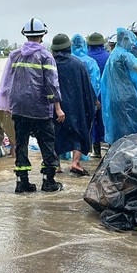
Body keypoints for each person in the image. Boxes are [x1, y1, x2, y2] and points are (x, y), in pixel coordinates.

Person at [0, 17, 65, 194]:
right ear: (42, 35)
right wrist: (58, 108)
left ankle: (22, 182)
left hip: (19, 108)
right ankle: (48, 181)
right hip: (40, 108)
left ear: (25, 35)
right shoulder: (45, 56)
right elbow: (52, 84)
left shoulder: (15, 55)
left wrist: (7, 104)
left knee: (21, 144)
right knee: (47, 143)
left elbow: (7, 82)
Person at [99, 28, 137, 145]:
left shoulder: (113, 54)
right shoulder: (125, 55)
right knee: (130, 126)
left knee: (117, 126)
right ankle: (129, 150)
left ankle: (116, 148)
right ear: (126, 40)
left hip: (114, 98)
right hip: (127, 97)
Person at [51, 34, 96, 176]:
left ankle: (56, 165)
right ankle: (75, 163)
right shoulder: (78, 64)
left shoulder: (50, 64)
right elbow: (87, 87)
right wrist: (93, 102)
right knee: (77, 133)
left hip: (55, 107)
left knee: (54, 134)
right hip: (76, 107)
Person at [86, 32, 110, 156]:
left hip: (89, 95)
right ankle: (108, 147)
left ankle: (95, 150)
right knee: (105, 120)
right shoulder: (109, 57)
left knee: (91, 121)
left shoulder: (86, 57)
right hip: (106, 94)